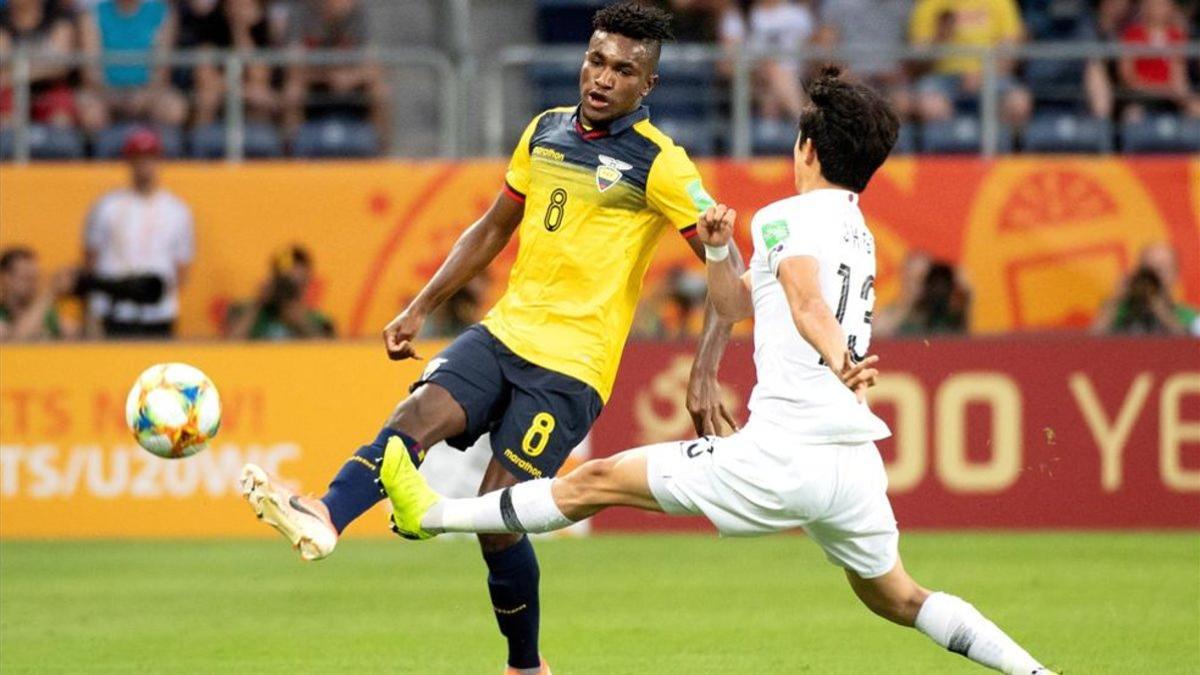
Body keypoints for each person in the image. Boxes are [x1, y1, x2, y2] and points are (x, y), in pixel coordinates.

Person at [380, 66, 1057, 675]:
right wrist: (713, 252)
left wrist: (838, 354)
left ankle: (434, 513)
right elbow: (738, 301)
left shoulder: (785, 215)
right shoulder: (856, 229)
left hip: (783, 454)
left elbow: (805, 300)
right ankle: (1034, 671)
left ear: (807, 150)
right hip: (849, 464)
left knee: (595, 479)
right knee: (899, 596)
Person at [239, 4, 741, 674]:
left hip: (570, 368)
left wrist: (704, 369)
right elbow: (491, 227)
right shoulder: (544, 131)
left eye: (624, 70)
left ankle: (526, 664)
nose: (602, 77)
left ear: (646, 85)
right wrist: (423, 303)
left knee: (499, 518)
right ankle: (325, 518)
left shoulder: (660, 165)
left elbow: (728, 282)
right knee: (410, 418)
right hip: (503, 333)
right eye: (596, 59)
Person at [83, 127, 194, 338]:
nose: (144, 165)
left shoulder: (177, 210)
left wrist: (155, 293)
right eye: (138, 158)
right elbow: (91, 258)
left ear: (159, 161)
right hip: (113, 307)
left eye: (150, 158)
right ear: (129, 161)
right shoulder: (107, 205)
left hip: (158, 310)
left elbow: (182, 265)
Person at [282, 0, 389, 146]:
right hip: (313, 83)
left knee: (380, 90)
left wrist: (350, 77)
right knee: (292, 90)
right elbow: (293, 67)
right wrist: (327, 76)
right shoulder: (301, 13)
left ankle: (381, 154)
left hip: (351, 84)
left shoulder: (359, 14)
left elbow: (373, 66)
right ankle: (289, 154)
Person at [910, 0, 1033, 126]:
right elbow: (918, 62)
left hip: (992, 74)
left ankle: (1002, 144)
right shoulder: (928, 4)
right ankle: (952, 142)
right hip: (942, 77)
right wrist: (940, 37)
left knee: (1018, 102)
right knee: (930, 106)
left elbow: (1010, 53)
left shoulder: (1001, 2)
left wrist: (983, 75)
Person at [76, 0, 188, 134]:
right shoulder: (92, 14)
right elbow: (90, 72)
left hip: (150, 91)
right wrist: (113, 96)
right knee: (91, 114)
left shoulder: (162, 12)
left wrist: (145, 95)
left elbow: (162, 71)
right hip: (103, 92)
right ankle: (101, 151)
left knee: (174, 109)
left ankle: (159, 150)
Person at [224, 245, 334, 340]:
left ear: (308, 281)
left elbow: (328, 354)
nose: (287, 289)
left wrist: (301, 321)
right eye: (283, 281)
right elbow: (227, 349)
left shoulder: (320, 321)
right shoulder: (242, 310)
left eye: (295, 283)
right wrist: (257, 305)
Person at [0, 0, 78, 129]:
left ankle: (57, 147)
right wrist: (41, 65)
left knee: (61, 108)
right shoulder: (2, 19)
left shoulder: (58, 17)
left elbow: (59, 67)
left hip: (50, 87)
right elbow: (3, 60)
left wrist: (14, 76)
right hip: (10, 89)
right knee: (5, 106)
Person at [1092, 242, 1198, 335]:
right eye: (1149, 270)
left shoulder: (1190, 318)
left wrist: (1163, 313)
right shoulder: (1118, 312)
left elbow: (1190, 350)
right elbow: (1090, 346)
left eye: (1162, 270)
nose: (1155, 277)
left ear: (1176, 275)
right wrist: (1115, 300)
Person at [1118, 0, 1200, 119]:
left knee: (1196, 108)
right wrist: (1158, 90)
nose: (1159, 9)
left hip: (1172, 95)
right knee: (1132, 115)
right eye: (1155, 4)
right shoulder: (1132, 34)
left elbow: (1179, 76)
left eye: (1163, 4)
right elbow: (1127, 76)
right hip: (1142, 95)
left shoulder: (1177, 35)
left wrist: (1183, 97)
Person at [0, 247, 78, 341]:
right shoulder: (3, 314)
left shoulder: (47, 314)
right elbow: (17, 340)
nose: (33, 284)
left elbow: (71, 332)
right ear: (6, 278)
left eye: (36, 278)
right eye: (26, 277)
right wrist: (51, 292)